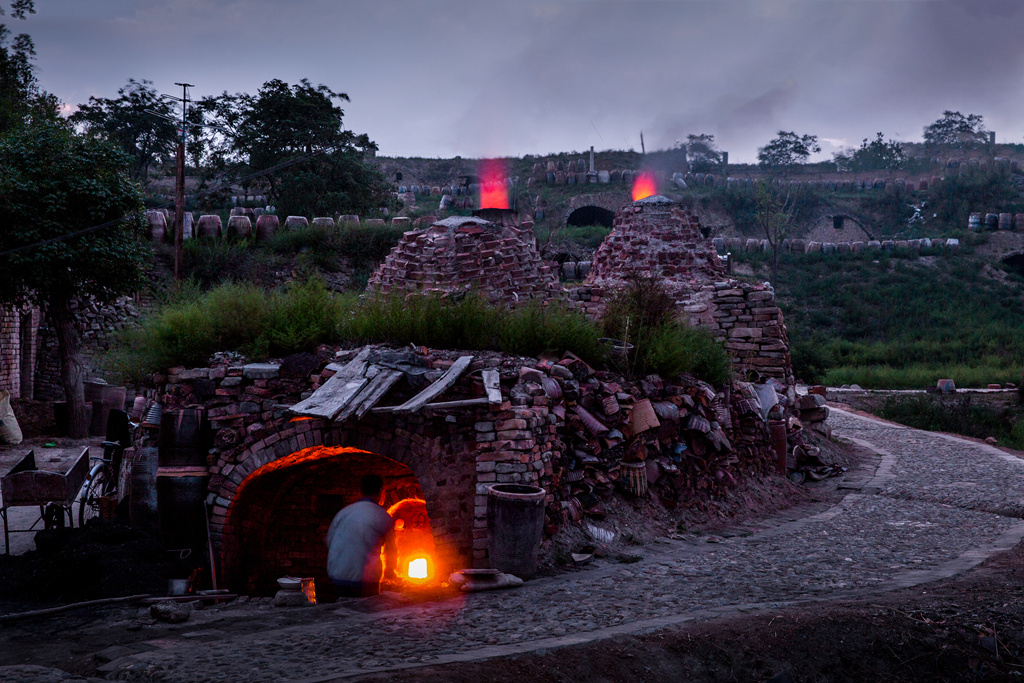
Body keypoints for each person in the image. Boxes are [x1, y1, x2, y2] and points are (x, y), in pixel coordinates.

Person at [325, 474, 397, 597]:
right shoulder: (382, 516)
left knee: (342, 613)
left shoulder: (343, 513)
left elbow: (329, 541)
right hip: (365, 580)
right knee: (365, 614)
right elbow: (391, 551)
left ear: (360, 491)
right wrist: (390, 573)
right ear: (381, 492)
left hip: (336, 577)